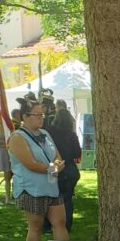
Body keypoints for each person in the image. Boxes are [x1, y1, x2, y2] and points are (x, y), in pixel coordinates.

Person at [8, 101, 68, 241]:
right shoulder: (17, 137)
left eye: (42, 115)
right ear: (25, 117)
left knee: (60, 223)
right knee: (36, 226)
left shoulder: (45, 133)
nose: (41, 118)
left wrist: (56, 165)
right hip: (31, 188)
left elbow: (57, 155)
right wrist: (53, 168)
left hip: (51, 186)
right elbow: (30, 164)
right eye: (37, 115)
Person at [44, 99, 81, 230]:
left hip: (54, 164)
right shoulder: (71, 135)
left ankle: (48, 224)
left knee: (50, 195)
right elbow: (77, 152)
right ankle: (66, 224)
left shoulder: (49, 133)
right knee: (67, 197)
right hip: (68, 165)